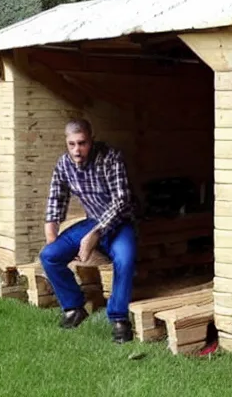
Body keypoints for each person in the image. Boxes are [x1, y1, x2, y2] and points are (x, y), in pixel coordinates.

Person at [39, 119, 137, 343]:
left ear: (91, 139)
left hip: (119, 224)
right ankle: (74, 308)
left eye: (82, 143)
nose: (77, 150)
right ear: (66, 142)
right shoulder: (64, 164)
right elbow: (56, 200)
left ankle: (119, 319)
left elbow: (122, 200)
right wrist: (53, 239)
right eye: (71, 144)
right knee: (49, 256)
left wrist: (95, 234)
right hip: (92, 221)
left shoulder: (110, 158)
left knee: (125, 259)